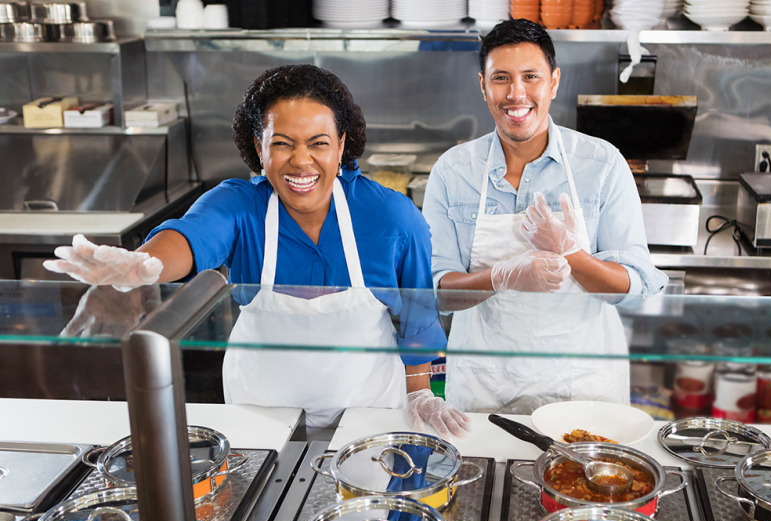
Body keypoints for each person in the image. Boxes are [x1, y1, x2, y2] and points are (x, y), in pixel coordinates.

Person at [44, 64, 470, 438]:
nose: (301, 161)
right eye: (282, 143)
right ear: (259, 146)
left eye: (318, 143)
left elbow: (418, 320)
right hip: (259, 411)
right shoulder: (238, 205)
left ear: (341, 146)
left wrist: (420, 394)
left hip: (367, 408)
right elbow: (191, 238)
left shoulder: (392, 217)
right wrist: (145, 266)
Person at [423, 19, 669, 414]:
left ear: (553, 82)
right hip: (486, 386)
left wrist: (572, 254)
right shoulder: (453, 172)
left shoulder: (602, 164)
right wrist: (502, 275)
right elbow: (438, 293)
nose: (515, 93)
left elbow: (634, 287)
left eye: (530, 76)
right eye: (501, 78)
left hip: (582, 384)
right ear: (482, 85)